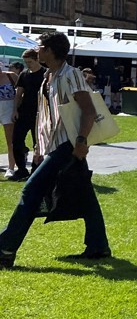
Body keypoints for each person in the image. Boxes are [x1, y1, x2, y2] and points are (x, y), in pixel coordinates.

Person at [0, 32, 110, 268]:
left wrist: (81, 142)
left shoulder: (71, 75)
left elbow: (89, 110)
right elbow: (47, 116)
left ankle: (5, 250)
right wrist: (41, 143)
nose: (37, 50)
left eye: (40, 47)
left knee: (31, 192)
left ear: (50, 51)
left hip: (68, 144)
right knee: (86, 193)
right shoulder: (47, 76)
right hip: (54, 144)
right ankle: (98, 246)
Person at [10, 49, 43, 181]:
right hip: (24, 112)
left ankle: (35, 170)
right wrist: (15, 110)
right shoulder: (24, 74)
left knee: (38, 143)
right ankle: (21, 169)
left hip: (40, 113)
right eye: (26, 62)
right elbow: (18, 94)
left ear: (37, 59)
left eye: (30, 62)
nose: (28, 64)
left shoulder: (45, 74)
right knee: (16, 141)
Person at [0, 60, 18, 178]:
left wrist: (16, 109)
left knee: (10, 141)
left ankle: (11, 167)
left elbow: (20, 91)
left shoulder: (11, 76)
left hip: (8, 109)